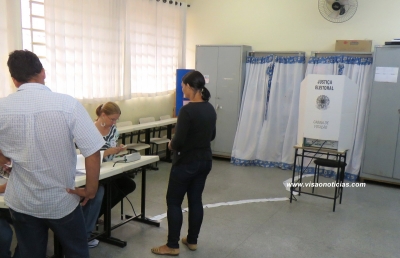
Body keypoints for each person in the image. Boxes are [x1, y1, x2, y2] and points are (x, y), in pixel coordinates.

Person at [0, 50, 105, 258]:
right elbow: (92, 151)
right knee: (76, 251)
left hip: (22, 200)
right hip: (62, 200)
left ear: (14, 80)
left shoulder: (2, 107)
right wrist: (91, 190)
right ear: (43, 72)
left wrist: (4, 159)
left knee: (30, 253)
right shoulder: (67, 104)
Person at [151, 70, 217, 255]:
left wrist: (171, 144)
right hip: (205, 161)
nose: (182, 89)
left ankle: (172, 245)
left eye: (182, 86)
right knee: (196, 200)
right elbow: (212, 135)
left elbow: (178, 142)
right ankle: (192, 240)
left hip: (186, 163)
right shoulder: (209, 108)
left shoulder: (187, 110)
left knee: (174, 201)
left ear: (189, 86)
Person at [93, 102, 136, 219]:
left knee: (129, 185)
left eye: (116, 120)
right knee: (111, 190)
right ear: (103, 115)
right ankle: (91, 217)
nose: (114, 123)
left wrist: (119, 148)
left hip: (111, 168)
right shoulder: (91, 130)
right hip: (96, 169)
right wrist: (107, 152)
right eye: (112, 119)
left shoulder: (113, 130)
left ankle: (97, 214)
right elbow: (85, 156)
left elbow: (113, 145)